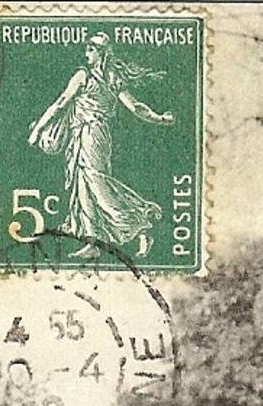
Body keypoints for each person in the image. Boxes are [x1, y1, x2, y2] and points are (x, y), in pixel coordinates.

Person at [27, 32, 175, 259]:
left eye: (90, 50)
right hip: (88, 134)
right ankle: (93, 241)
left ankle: (140, 226)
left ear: (101, 52)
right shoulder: (112, 77)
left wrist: (38, 129)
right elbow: (136, 107)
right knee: (84, 184)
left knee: (96, 184)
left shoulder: (84, 76)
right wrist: (160, 118)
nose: (86, 54)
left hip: (91, 134)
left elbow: (60, 103)